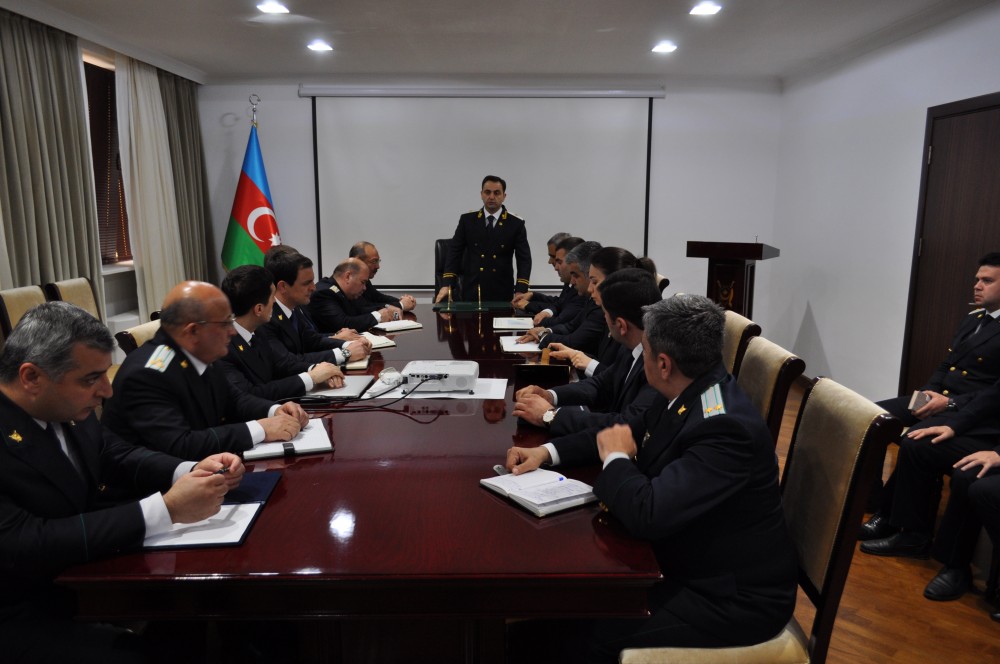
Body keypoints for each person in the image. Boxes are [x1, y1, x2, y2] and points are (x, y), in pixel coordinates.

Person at [505, 295, 796, 661]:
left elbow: (649, 512)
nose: (638, 360)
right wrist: (547, 453)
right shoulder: (687, 385)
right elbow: (624, 428)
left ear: (662, 362)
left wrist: (614, 457)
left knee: (580, 636)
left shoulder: (724, 426)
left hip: (728, 597)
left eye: (643, 351)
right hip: (682, 558)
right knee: (558, 616)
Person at [0, 302, 245, 663]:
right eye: (90, 379)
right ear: (31, 377)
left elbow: (113, 453)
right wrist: (165, 509)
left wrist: (188, 469)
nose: (107, 391)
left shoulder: (64, 406)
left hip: (79, 577)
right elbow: (25, 543)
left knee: (200, 606)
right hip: (21, 608)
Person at [861, 252, 1000, 538]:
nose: (977, 285)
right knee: (869, 416)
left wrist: (948, 402)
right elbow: (946, 364)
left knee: (918, 438)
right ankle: (871, 497)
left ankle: (889, 514)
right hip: (941, 398)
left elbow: (993, 394)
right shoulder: (974, 318)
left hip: (965, 408)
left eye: (987, 280)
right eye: (977, 279)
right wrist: (929, 392)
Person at [102, 281, 308, 460]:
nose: (232, 331)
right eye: (225, 323)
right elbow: (180, 445)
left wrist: (274, 410)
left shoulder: (199, 351)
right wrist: (261, 429)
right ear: (193, 331)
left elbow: (234, 399)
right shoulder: (147, 375)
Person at [860, 379, 1000, 598]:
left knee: (967, 474)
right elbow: (994, 394)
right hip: (989, 425)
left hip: (994, 441)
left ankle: (956, 566)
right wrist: (954, 426)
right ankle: (912, 536)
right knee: (918, 444)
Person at [513, 268, 661, 436]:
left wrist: (551, 416)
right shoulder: (634, 347)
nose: (603, 318)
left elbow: (625, 425)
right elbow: (602, 384)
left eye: (605, 313)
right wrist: (549, 395)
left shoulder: (658, 365)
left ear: (621, 325)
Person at [218, 265, 345, 401]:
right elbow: (250, 394)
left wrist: (319, 369)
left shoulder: (258, 329)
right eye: (272, 296)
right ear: (259, 309)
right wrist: (310, 378)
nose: (275, 301)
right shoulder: (223, 348)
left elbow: (282, 364)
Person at [548, 246, 659, 378]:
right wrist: (575, 355)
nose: (590, 289)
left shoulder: (631, 325)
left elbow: (618, 379)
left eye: (594, 282)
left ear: (614, 280)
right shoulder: (610, 313)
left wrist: (585, 361)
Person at [260, 247, 370, 366]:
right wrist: (345, 354)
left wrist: (349, 344)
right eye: (307, 283)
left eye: (312, 281)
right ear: (283, 287)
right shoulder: (265, 318)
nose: (314, 287)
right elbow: (287, 362)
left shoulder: (294, 307)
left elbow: (313, 340)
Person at [435, 175, 531, 303]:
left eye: (497, 193)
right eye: (487, 192)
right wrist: (447, 284)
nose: (491, 197)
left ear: (504, 196)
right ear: (481, 194)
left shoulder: (515, 224)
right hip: (473, 291)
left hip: (502, 292)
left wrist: (520, 289)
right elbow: (454, 252)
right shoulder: (468, 220)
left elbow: (524, 259)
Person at [517, 241, 607, 359]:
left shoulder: (598, 304)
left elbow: (574, 341)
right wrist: (546, 331)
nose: (572, 281)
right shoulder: (589, 299)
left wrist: (542, 334)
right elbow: (569, 325)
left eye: (576, 276)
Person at [310, 258, 398, 332]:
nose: (364, 288)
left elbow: (361, 309)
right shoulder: (324, 293)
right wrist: (378, 316)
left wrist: (386, 308)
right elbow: (342, 324)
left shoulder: (346, 293)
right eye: (362, 282)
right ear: (348, 276)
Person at [512, 232, 573, 314]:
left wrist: (529, 305)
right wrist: (533, 295)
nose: (550, 261)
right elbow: (559, 302)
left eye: (553, 257)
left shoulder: (581, 283)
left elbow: (562, 310)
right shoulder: (569, 280)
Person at [349, 241, 416, 312]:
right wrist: (401, 305)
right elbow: (365, 308)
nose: (378, 266)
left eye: (378, 261)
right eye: (374, 261)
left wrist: (404, 301)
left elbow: (379, 297)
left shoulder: (365, 280)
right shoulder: (350, 281)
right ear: (358, 261)